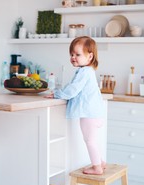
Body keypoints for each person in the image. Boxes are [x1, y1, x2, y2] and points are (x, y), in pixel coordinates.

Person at [45, 36, 105, 175]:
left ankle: (97, 167)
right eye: (71, 54)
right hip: (94, 113)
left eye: (78, 54)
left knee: (89, 140)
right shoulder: (87, 71)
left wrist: (57, 94)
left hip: (89, 114)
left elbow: (72, 90)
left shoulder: (84, 72)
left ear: (90, 56)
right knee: (92, 140)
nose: (73, 57)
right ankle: (100, 162)